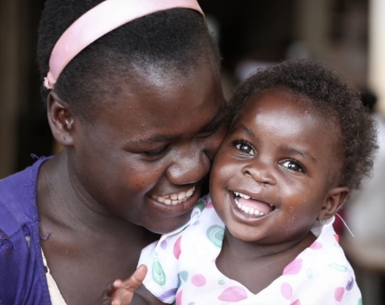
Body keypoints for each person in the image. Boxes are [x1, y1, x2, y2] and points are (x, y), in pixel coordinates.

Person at [0, 0, 228, 304]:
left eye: (209, 129)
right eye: (154, 150)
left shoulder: (242, 216)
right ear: (63, 120)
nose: (193, 169)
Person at [105, 60, 376, 305]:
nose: (257, 172)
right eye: (244, 147)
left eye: (292, 165)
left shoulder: (327, 280)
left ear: (329, 204)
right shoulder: (196, 226)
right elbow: (148, 295)